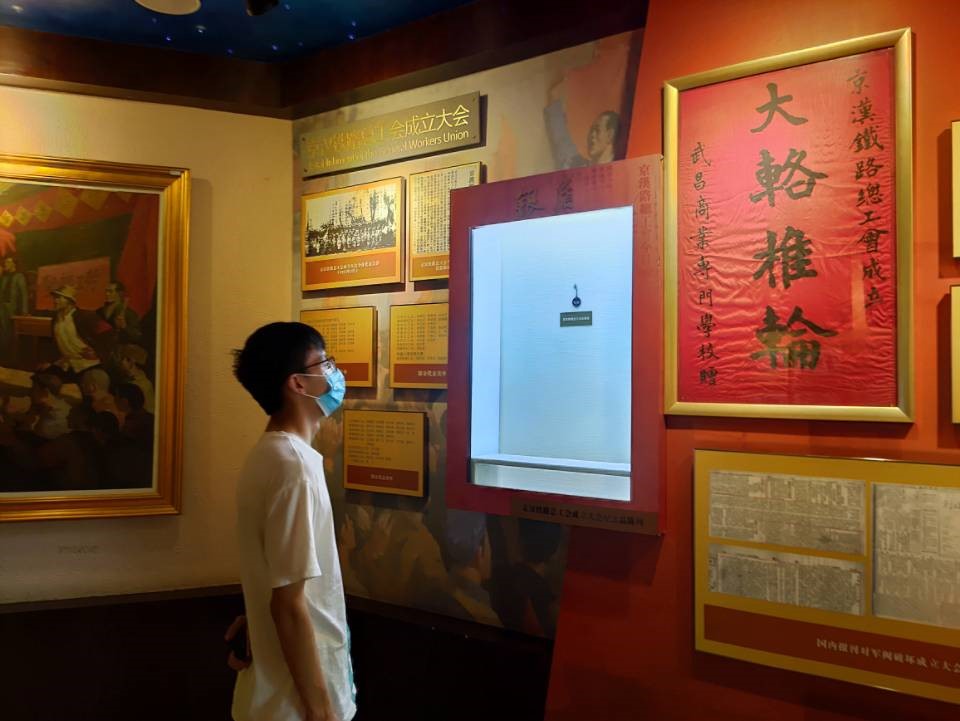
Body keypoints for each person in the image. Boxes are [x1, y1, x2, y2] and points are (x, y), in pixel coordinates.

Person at [229, 322, 355, 721]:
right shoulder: (293, 467)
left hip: (279, 696)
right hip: (293, 705)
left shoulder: (273, 456)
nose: (334, 373)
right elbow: (287, 604)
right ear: (298, 383)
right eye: (324, 363)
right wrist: (321, 711)